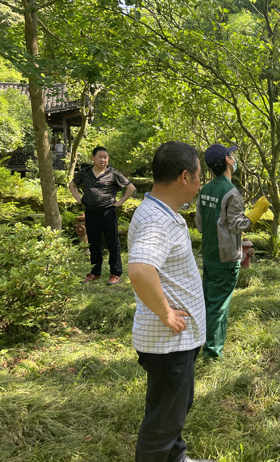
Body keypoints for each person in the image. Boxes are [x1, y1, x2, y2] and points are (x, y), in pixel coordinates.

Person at [127, 141, 215, 462]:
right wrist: (166, 313)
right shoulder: (157, 220)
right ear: (184, 177)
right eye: (199, 175)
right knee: (163, 422)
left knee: (171, 411)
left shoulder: (159, 211)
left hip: (175, 341)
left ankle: (176, 458)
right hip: (169, 341)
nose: (200, 181)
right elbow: (139, 269)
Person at [195, 144, 269, 360]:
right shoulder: (231, 192)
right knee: (219, 305)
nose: (234, 158)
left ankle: (206, 343)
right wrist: (255, 215)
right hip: (225, 257)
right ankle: (212, 353)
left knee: (211, 302)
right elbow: (237, 225)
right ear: (227, 160)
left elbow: (199, 224)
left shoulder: (205, 190)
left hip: (209, 255)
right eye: (232, 156)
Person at [69, 146, 136, 285]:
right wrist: (79, 200)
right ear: (93, 157)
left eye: (105, 157)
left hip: (108, 212)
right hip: (91, 212)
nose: (103, 160)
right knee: (94, 243)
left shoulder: (113, 173)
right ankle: (95, 272)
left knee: (113, 244)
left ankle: (115, 273)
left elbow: (131, 188)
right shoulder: (84, 173)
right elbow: (72, 186)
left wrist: (119, 202)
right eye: (100, 157)